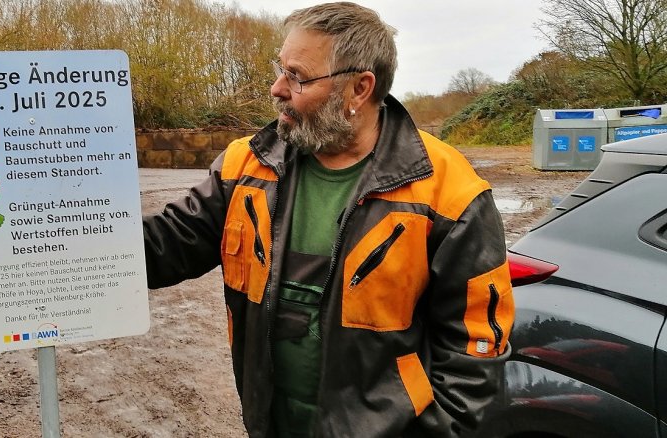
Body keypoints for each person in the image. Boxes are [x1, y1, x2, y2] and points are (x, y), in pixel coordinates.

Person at [142, 2, 514, 437]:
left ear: (359, 88)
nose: (277, 88)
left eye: (297, 76)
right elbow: (168, 245)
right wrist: (68, 235)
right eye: (280, 69)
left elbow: (475, 351)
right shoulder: (245, 166)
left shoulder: (449, 192)